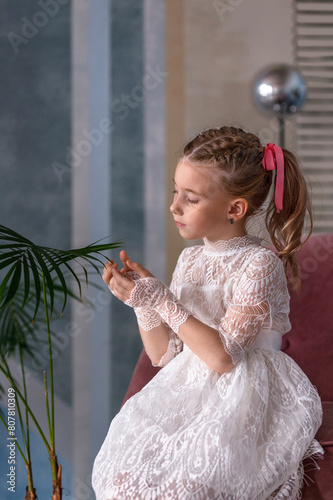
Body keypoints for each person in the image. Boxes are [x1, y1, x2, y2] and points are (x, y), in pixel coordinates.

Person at [92, 126, 323, 500]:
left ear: (235, 209)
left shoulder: (259, 262)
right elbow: (164, 356)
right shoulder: (191, 259)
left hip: (244, 389)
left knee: (191, 484)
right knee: (120, 478)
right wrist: (142, 302)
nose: (174, 206)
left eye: (191, 198)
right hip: (187, 386)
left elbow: (222, 356)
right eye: (174, 192)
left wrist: (164, 300)